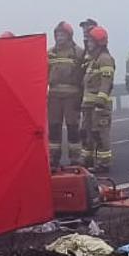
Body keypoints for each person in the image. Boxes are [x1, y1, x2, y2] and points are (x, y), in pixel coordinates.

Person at [46, 21, 85, 166]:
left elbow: (84, 75)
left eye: (62, 34)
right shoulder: (50, 53)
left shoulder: (79, 53)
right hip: (54, 95)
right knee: (54, 127)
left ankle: (75, 158)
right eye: (57, 34)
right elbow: (43, 73)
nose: (59, 37)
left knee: (73, 127)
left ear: (69, 36)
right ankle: (53, 157)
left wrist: (82, 96)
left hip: (72, 95)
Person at [80, 26, 117, 173]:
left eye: (90, 41)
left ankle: (104, 163)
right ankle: (87, 160)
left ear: (98, 42)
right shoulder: (91, 60)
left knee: (99, 134)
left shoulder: (105, 59)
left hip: (99, 106)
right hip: (88, 105)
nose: (88, 44)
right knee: (86, 132)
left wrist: (100, 101)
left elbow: (106, 82)